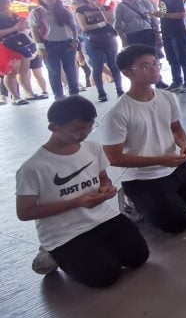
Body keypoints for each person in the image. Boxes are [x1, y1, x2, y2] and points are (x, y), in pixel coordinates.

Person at [16, 96, 149, 287]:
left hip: (101, 217)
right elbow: (24, 212)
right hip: (64, 232)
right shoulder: (33, 168)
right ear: (53, 127)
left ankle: (93, 251)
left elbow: (102, 176)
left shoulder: (92, 148)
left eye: (89, 127)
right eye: (77, 131)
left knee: (138, 257)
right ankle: (50, 252)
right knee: (105, 276)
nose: (84, 134)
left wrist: (106, 187)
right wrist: (77, 202)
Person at [99, 45, 186, 233]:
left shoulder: (167, 97)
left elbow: (176, 129)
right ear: (127, 72)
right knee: (177, 223)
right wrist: (160, 160)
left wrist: (185, 145)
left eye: (156, 63)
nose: (155, 69)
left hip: (174, 167)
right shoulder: (117, 113)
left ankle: (170, 197)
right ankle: (133, 200)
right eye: (145, 66)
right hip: (143, 177)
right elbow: (113, 158)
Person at [74, 0, 124, 101]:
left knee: (113, 64)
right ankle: (101, 91)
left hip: (109, 38)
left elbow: (111, 22)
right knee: (97, 66)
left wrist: (101, 9)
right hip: (92, 40)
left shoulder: (106, 7)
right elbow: (84, 27)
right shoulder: (81, 10)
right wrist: (98, 25)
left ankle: (119, 88)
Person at [30, 0, 80, 100]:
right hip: (48, 45)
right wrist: (40, 47)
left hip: (67, 43)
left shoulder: (65, 10)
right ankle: (59, 97)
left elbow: (73, 27)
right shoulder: (37, 12)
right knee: (54, 72)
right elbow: (34, 30)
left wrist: (75, 39)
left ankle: (75, 95)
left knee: (71, 70)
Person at [146, 0, 186, 93]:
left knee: (182, 57)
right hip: (166, 31)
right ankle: (177, 80)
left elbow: (181, 14)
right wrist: (156, 14)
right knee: (171, 58)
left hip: (177, 31)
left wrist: (162, 15)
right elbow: (163, 13)